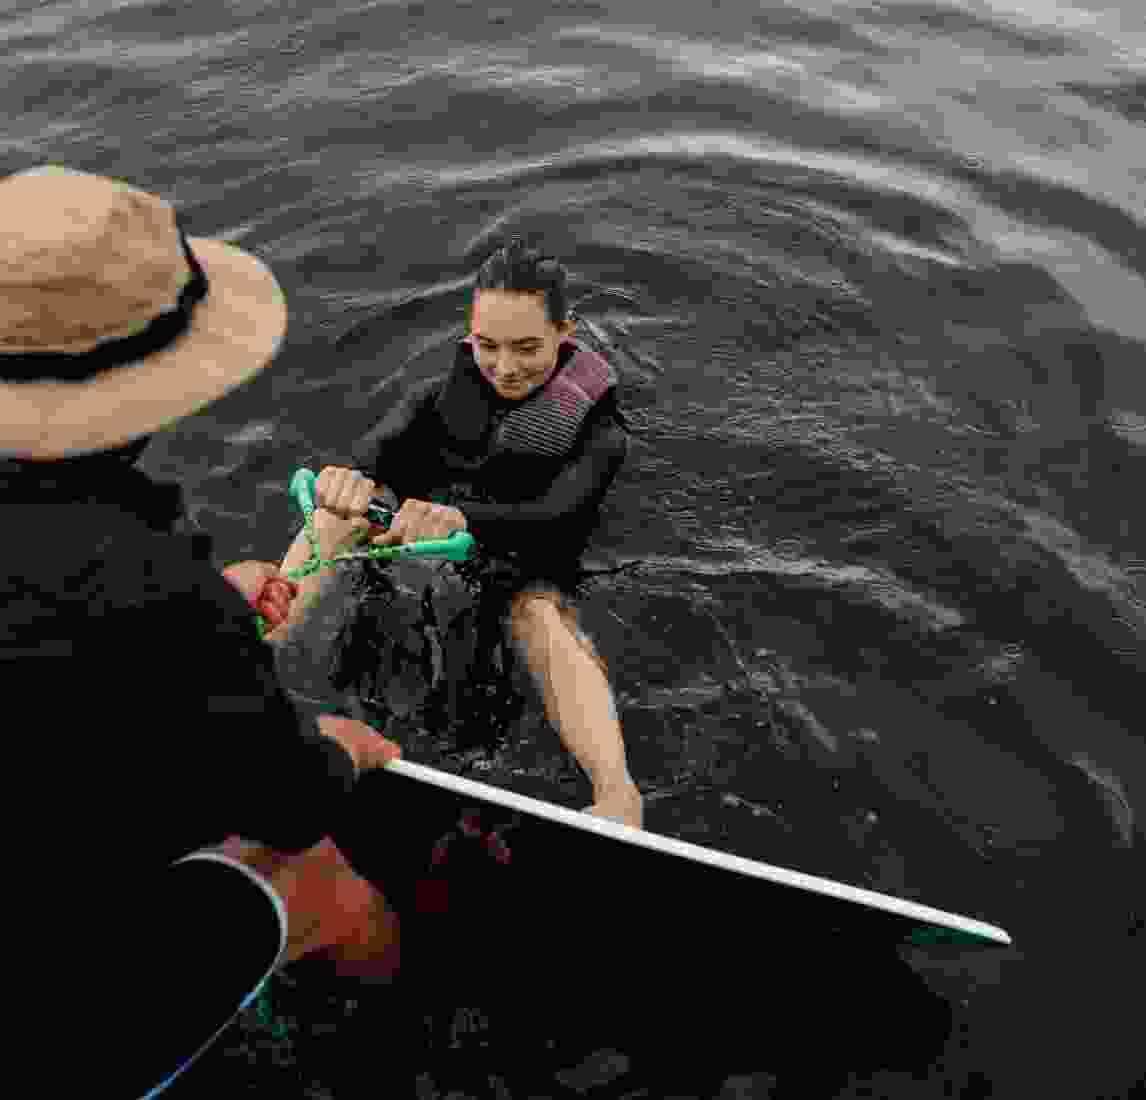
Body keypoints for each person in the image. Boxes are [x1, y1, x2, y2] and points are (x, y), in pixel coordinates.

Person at [0, 164, 406, 1098]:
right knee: (325, 886)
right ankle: (394, 1063)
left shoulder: (144, 588)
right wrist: (338, 748)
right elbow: (286, 800)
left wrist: (208, 608)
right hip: (37, 1025)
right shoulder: (145, 579)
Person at [280, 238, 643, 828]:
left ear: (564, 332)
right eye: (488, 346)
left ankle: (618, 793)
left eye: (527, 347)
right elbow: (375, 452)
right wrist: (349, 482)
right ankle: (243, 661)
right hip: (424, 536)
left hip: (520, 552)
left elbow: (562, 515)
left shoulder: (601, 436)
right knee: (331, 517)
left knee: (538, 616)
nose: (504, 367)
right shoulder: (437, 397)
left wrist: (463, 521)